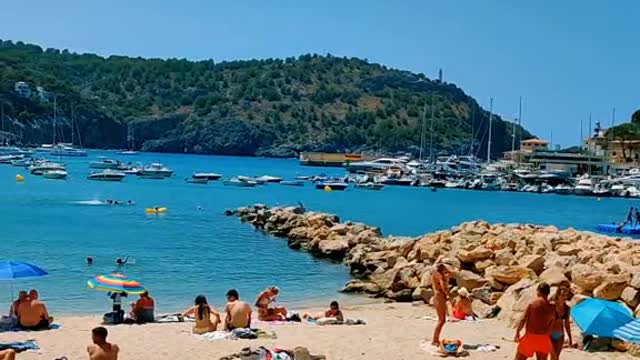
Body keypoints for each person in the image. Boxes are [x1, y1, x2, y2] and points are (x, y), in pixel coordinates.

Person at [514, 282, 555, 360]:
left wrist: (517, 332)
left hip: (531, 336)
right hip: (544, 338)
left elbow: (523, 319)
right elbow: (552, 323)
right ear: (548, 293)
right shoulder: (551, 307)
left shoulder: (533, 304)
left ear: (539, 291)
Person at [431, 263, 452, 346]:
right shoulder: (440, 276)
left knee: (441, 320)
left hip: (438, 297)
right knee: (441, 320)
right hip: (439, 297)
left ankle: (435, 339)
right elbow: (443, 287)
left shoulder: (436, 274)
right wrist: (448, 295)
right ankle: (435, 340)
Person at [550, 287, 573, 360]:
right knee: (554, 356)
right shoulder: (551, 306)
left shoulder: (567, 308)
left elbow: (567, 324)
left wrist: (570, 337)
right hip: (549, 334)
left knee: (556, 357)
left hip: (560, 335)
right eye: (562, 295)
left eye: (565, 295)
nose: (564, 297)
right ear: (558, 295)